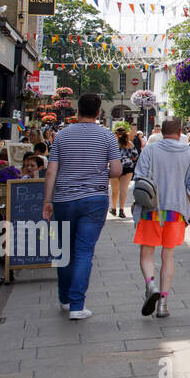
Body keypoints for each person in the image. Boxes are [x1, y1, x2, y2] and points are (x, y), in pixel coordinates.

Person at [42, 93, 122, 320]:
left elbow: (51, 171)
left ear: (77, 111)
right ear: (98, 112)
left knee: (65, 250)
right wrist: (98, 173)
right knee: (84, 251)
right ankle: (77, 306)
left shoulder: (62, 136)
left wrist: (47, 201)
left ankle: (65, 300)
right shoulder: (107, 137)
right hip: (94, 200)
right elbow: (116, 171)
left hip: (64, 199)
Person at [133, 118, 190, 318]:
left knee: (146, 254)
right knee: (168, 256)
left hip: (151, 209)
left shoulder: (150, 150)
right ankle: (163, 302)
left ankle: (150, 285)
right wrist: (188, 204)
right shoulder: (188, 153)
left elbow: (139, 178)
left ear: (162, 132)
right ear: (180, 131)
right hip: (175, 212)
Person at [112, 126, 139, 218]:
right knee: (123, 190)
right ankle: (122, 210)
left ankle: (114, 208)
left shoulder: (113, 144)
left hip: (115, 167)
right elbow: (135, 156)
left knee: (115, 190)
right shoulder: (130, 144)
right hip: (128, 168)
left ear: (116, 134)